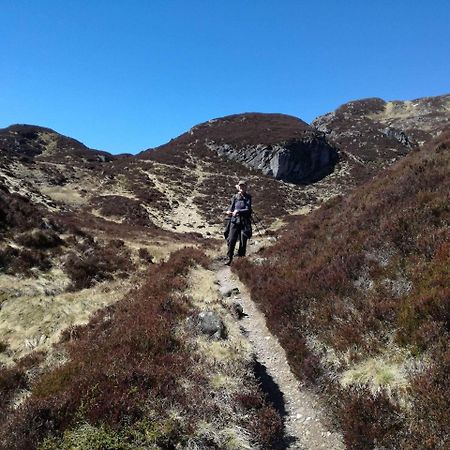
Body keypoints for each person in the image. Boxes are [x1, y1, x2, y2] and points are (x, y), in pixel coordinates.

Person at [225, 180, 252, 265]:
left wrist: (238, 211)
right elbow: (231, 207)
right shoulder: (235, 197)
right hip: (234, 220)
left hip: (244, 221)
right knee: (231, 239)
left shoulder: (248, 197)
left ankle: (241, 259)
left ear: (246, 187)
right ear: (238, 187)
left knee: (243, 239)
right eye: (240, 186)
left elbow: (248, 209)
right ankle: (229, 258)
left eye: (243, 186)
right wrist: (228, 212)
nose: (241, 187)